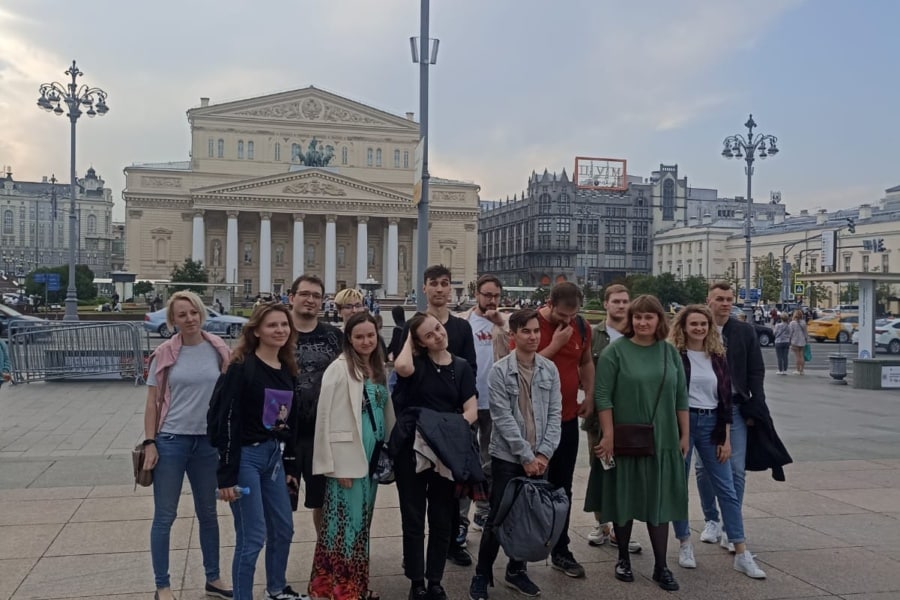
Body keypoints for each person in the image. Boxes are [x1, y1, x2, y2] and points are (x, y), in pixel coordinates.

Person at [587, 294, 688, 592]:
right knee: (624, 496)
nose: (643, 322)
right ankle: (622, 560)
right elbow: (603, 396)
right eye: (638, 317)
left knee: (660, 499)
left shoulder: (669, 353)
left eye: (649, 316)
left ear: (659, 320)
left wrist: (685, 435)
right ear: (631, 320)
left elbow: (681, 396)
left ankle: (661, 566)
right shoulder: (615, 352)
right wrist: (608, 435)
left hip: (664, 437)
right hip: (625, 437)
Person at [142, 291, 233, 600]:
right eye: (182, 315)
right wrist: (150, 442)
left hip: (207, 443)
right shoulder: (165, 353)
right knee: (165, 516)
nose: (190, 318)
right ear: (173, 321)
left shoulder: (219, 349)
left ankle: (213, 578)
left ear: (201, 313)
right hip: (170, 441)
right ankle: (162, 585)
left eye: (194, 312)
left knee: (208, 514)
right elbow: (153, 403)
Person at [214, 303, 306, 600]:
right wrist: (226, 476)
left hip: (273, 457)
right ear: (256, 331)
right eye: (272, 325)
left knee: (283, 528)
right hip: (245, 459)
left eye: (284, 325)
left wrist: (291, 465)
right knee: (252, 536)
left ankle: (276, 589)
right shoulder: (242, 368)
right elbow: (225, 419)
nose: (280, 330)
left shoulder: (287, 368)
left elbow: (288, 421)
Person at [468, 309, 561, 600]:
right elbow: (503, 418)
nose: (533, 336)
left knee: (527, 517)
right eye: (526, 331)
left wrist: (544, 454)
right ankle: (482, 574)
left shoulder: (549, 369)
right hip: (509, 457)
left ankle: (516, 571)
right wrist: (525, 456)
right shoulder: (500, 371)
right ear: (513, 335)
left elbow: (555, 414)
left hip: (540, 457)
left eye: (536, 331)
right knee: (498, 517)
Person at [668, 305, 766, 578]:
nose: (699, 328)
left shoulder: (717, 355)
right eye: (693, 324)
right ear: (683, 327)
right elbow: (674, 398)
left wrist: (725, 436)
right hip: (683, 425)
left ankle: (741, 551)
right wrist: (684, 435)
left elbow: (725, 398)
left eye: (703, 324)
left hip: (713, 423)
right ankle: (685, 543)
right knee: (679, 487)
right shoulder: (675, 355)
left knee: (728, 488)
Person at [309, 312, 396, 600]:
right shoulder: (339, 368)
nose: (366, 341)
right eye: (359, 336)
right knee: (346, 526)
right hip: (348, 461)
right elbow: (325, 419)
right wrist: (333, 467)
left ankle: (349, 586)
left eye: (370, 335)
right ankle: (342, 589)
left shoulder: (377, 367)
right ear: (349, 339)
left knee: (360, 525)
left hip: (370, 457)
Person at [392, 312, 478, 600]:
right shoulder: (415, 363)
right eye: (429, 335)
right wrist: (408, 336)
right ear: (419, 342)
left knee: (442, 518)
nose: (438, 335)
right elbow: (401, 365)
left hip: (446, 451)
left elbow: (471, 411)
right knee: (413, 517)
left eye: (438, 329)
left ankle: (435, 580)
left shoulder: (462, 367)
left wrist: (445, 431)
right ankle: (416, 581)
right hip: (412, 450)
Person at [515, 281, 593, 578]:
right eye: (562, 315)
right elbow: (523, 366)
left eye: (573, 316)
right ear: (549, 302)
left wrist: (590, 392)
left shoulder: (582, 328)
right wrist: (557, 344)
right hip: (533, 421)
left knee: (563, 487)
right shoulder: (530, 325)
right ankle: (519, 555)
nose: (567, 321)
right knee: (528, 487)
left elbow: (585, 362)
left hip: (567, 418)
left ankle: (561, 548)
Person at [401, 264, 477, 566]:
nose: (440, 289)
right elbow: (403, 369)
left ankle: (451, 542)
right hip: (420, 428)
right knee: (417, 506)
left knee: (451, 498)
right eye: (434, 283)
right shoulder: (413, 330)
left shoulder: (460, 328)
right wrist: (412, 331)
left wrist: (460, 422)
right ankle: (416, 561)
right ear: (424, 288)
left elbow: (469, 369)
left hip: (453, 423)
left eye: (445, 283)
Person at [697, 281, 767, 553]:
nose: (726, 303)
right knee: (704, 469)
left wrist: (755, 406)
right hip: (703, 407)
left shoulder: (744, 331)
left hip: (737, 408)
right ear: (708, 300)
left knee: (736, 470)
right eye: (720, 299)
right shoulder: (698, 327)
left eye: (729, 299)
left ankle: (731, 525)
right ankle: (711, 519)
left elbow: (756, 371)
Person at [584, 284, 642, 554]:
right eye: (616, 301)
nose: (621, 306)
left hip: (631, 415)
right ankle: (602, 523)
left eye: (625, 301)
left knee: (628, 473)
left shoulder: (638, 335)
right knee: (601, 469)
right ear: (605, 304)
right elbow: (583, 370)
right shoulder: (593, 335)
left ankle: (624, 529)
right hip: (598, 417)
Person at [288, 275, 341, 539]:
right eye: (305, 294)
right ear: (291, 298)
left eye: (316, 296)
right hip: (285, 433)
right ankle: (277, 572)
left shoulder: (333, 336)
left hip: (323, 433)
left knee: (323, 502)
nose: (311, 300)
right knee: (281, 502)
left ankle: (325, 561)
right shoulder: (278, 331)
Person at [457, 274, 511, 534]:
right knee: (466, 460)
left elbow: (520, 348)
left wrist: (502, 323)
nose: (491, 300)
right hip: (468, 401)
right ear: (476, 294)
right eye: (487, 295)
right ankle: (460, 519)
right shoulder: (463, 322)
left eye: (496, 296)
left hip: (496, 402)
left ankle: (484, 511)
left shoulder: (505, 322)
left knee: (491, 460)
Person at [788, 309, 809, 375]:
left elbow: (790, 333)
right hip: (802, 341)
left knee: (797, 356)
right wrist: (806, 339)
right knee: (801, 356)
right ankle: (802, 370)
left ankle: (797, 370)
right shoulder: (803, 323)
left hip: (795, 341)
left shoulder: (792, 323)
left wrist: (789, 340)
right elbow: (805, 332)